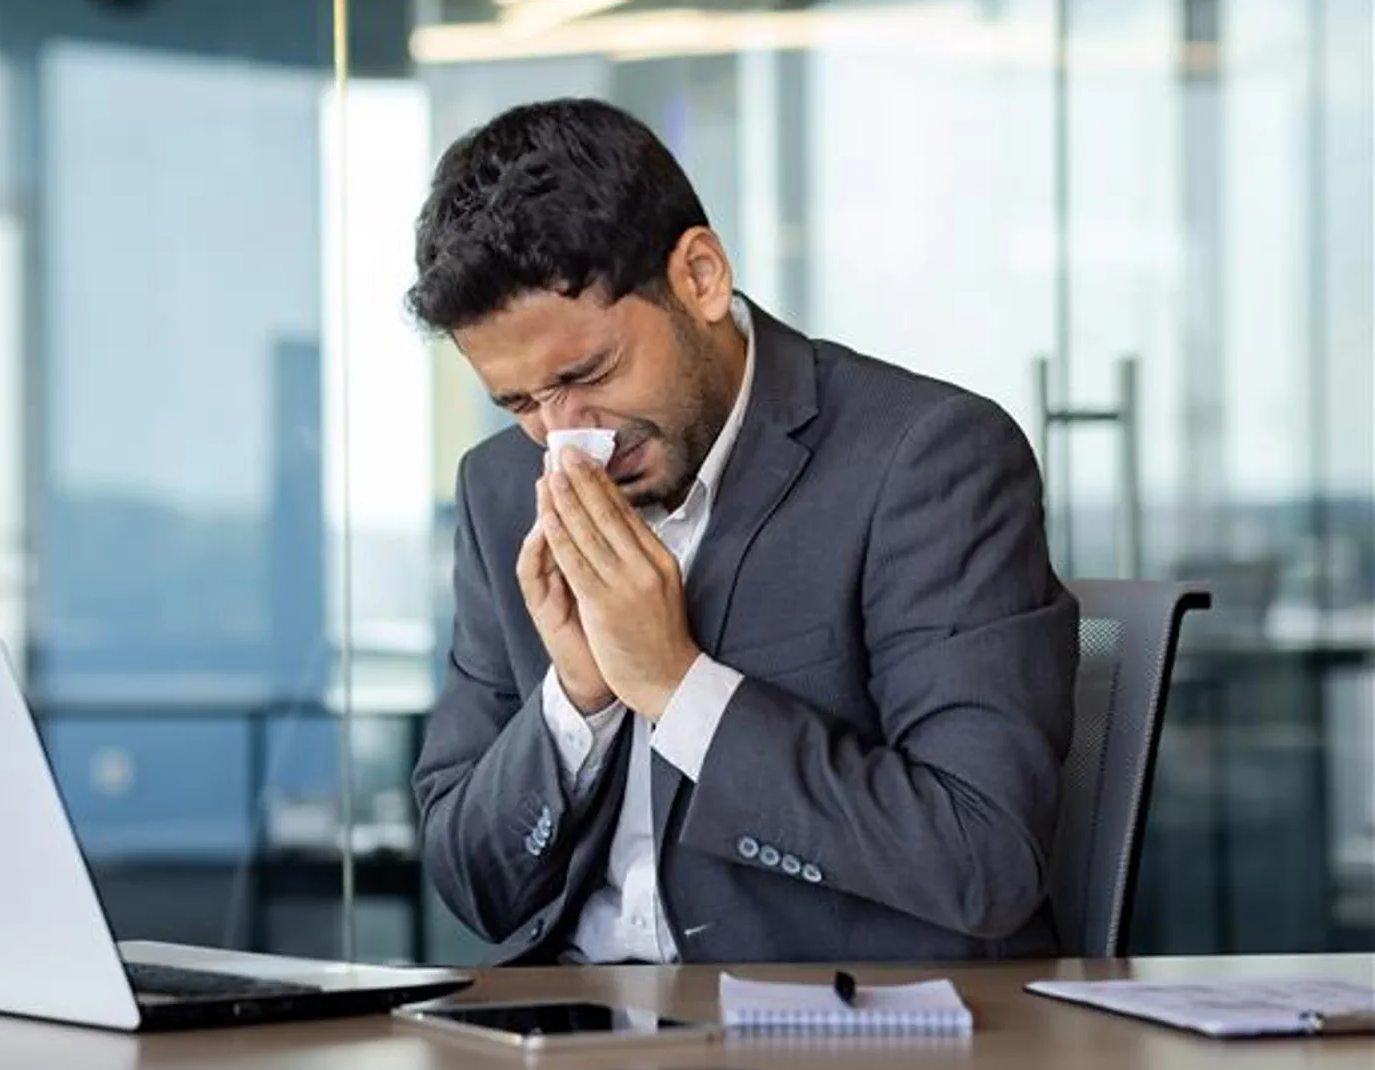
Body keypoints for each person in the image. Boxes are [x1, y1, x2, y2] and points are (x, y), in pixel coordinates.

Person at [408, 98, 1078, 965]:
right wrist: (577, 700)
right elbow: (474, 888)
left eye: (590, 373)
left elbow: (982, 860)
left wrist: (677, 687)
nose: (572, 436)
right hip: (565, 1029)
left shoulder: (925, 460)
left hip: (825, 1032)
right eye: (521, 403)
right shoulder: (501, 489)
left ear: (700, 276)